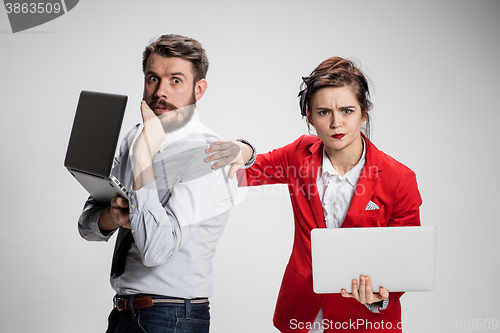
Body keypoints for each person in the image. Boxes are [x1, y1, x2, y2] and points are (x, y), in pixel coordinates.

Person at [208, 57, 422, 332]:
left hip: (365, 319)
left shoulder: (398, 178)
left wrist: (382, 298)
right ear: (309, 115)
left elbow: (405, 258)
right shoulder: (299, 155)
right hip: (304, 314)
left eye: (347, 111)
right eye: (324, 112)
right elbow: (243, 173)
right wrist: (246, 150)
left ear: (363, 112)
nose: (336, 123)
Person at [78, 34, 248, 333]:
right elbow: (87, 227)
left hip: (171, 316)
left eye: (176, 81)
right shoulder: (134, 137)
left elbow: (157, 250)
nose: (160, 92)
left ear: (199, 89)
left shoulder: (211, 155)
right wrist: (112, 216)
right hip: (122, 312)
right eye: (153, 78)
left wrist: (144, 159)